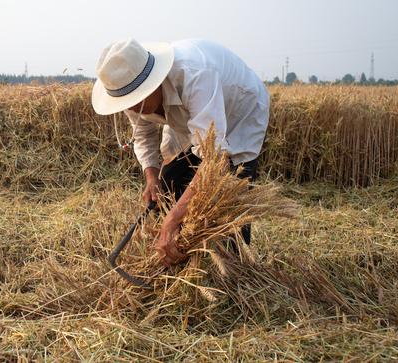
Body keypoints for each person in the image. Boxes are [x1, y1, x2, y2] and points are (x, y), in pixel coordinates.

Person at [91, 38, 269, 266]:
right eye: (127, 103)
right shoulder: (128, 88)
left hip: (240, 113)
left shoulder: (196, 75)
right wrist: (151, 176)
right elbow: (143, 134)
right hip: (187, 117)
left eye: (137, 101)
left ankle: (234, 270)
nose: (133, 109)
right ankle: (182, 259)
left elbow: (214, 159)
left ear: (153, 83)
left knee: (228, 195)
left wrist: (175, 217)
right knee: (169, 185)